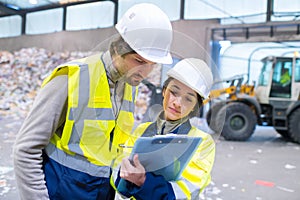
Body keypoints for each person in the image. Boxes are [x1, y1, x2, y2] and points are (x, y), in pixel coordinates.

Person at [13, 3, 173, 200]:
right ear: (117, 49)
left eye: (152, 64)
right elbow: (25, 149)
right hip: (63, 192)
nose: (145, 72)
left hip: (102, 192)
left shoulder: (130, 85)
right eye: (139, 61)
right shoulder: (71, 78)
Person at [112, 58, 216, 200]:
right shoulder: (141, 131)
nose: (177, 103)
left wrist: (144, 181)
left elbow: (185, 192)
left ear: (195, 106)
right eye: (174, 92)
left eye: (188, 99)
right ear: (164, 91)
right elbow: (119, 175)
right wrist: (123, 178)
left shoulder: (203, 142)